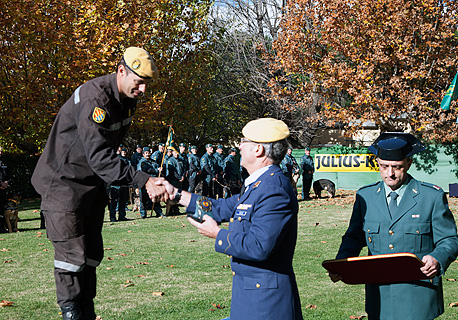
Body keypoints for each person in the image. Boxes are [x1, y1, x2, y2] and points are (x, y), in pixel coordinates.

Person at [30, 47, 167, 320]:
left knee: (91, 256)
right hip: (63, 187)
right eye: (138, 82)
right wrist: (145, 180)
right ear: (121, 71)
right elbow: (101, 158)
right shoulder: (96, 99)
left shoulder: (126, 99)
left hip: (90, 190)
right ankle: (72, 313)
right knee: (71, 259)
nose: (142, 90)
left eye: (146, 84)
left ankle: (86, 313)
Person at [158, 118, 303, 320]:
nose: (239, 146)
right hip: (251, 297)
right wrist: (176, 195)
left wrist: (218, 234)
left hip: (267, 304)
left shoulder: (274, 189)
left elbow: (260, 246)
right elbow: (218, 207)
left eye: (244, 141)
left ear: (259, 150)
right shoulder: (258, 185)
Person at [329, 132, 458, 320]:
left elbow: (449, 240)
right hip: (379, 297)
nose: (390, 173)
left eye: (397, 167)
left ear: (409, 163)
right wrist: (341, 263)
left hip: (418, 296)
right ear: (378, 163)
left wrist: (437, 258)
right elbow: (353, 237)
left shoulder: (430, 197)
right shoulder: (365, 197)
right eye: (384, 166)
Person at [138, 148, 163, 218]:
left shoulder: (153, 162)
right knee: (143, 199)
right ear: (143, 154)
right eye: (146, 153)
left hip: (152, 183)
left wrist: (160, 169)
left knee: (155, 198)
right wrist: (156, 170)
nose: (147, 154)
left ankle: (159, 212)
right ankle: (143, 214)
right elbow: (147, 169)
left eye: (148, 153)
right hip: (144, 183)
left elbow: (156, 168)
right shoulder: (142, 162)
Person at [0, 146, 10, 233]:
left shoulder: (4, 162)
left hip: (3, 189)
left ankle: (3, 226)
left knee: (2, 208)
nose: (0, 153)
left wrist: (6, 183)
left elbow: (8, 174)